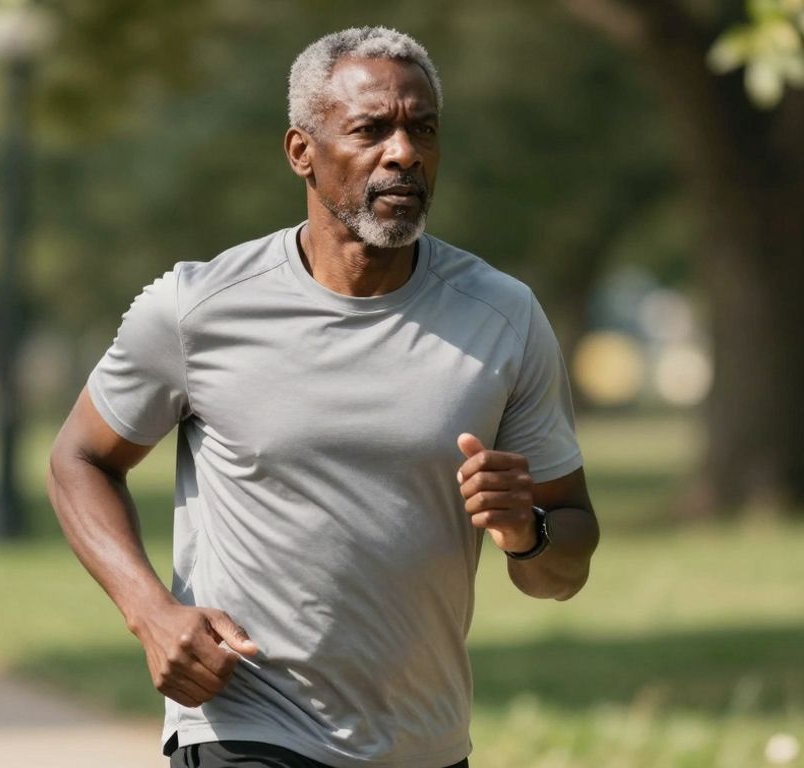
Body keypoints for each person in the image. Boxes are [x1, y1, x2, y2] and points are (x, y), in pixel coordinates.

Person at [46, 26, 599, 768]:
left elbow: (565, 566)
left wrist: (526, 529)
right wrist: (150, 613)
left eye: (423, 129)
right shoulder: (198, 308)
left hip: (424, 743)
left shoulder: (502, 318)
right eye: (371, 130)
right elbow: (78, 458)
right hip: (247, 725)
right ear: (301, 151)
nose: (403, 152)